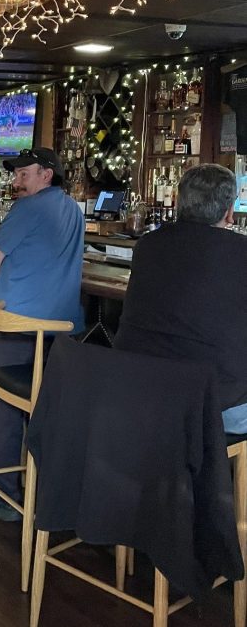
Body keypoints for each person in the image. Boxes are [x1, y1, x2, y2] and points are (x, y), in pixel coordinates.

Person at [0, 146, 85, 520]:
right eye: (16, 174)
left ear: (47, 175)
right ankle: (51, 490)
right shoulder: (72, 208)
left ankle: (3, 492)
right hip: (62, 329)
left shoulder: (27, 208)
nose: (16, 181)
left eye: (24, 174)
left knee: (5, 408)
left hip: (19, 324)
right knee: (47, 407)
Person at [114, 163, 247, 432]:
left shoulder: (147, 246)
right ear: (229, 212)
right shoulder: (240, 252)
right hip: (210, 405)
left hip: (136, 391)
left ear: (179, 202)